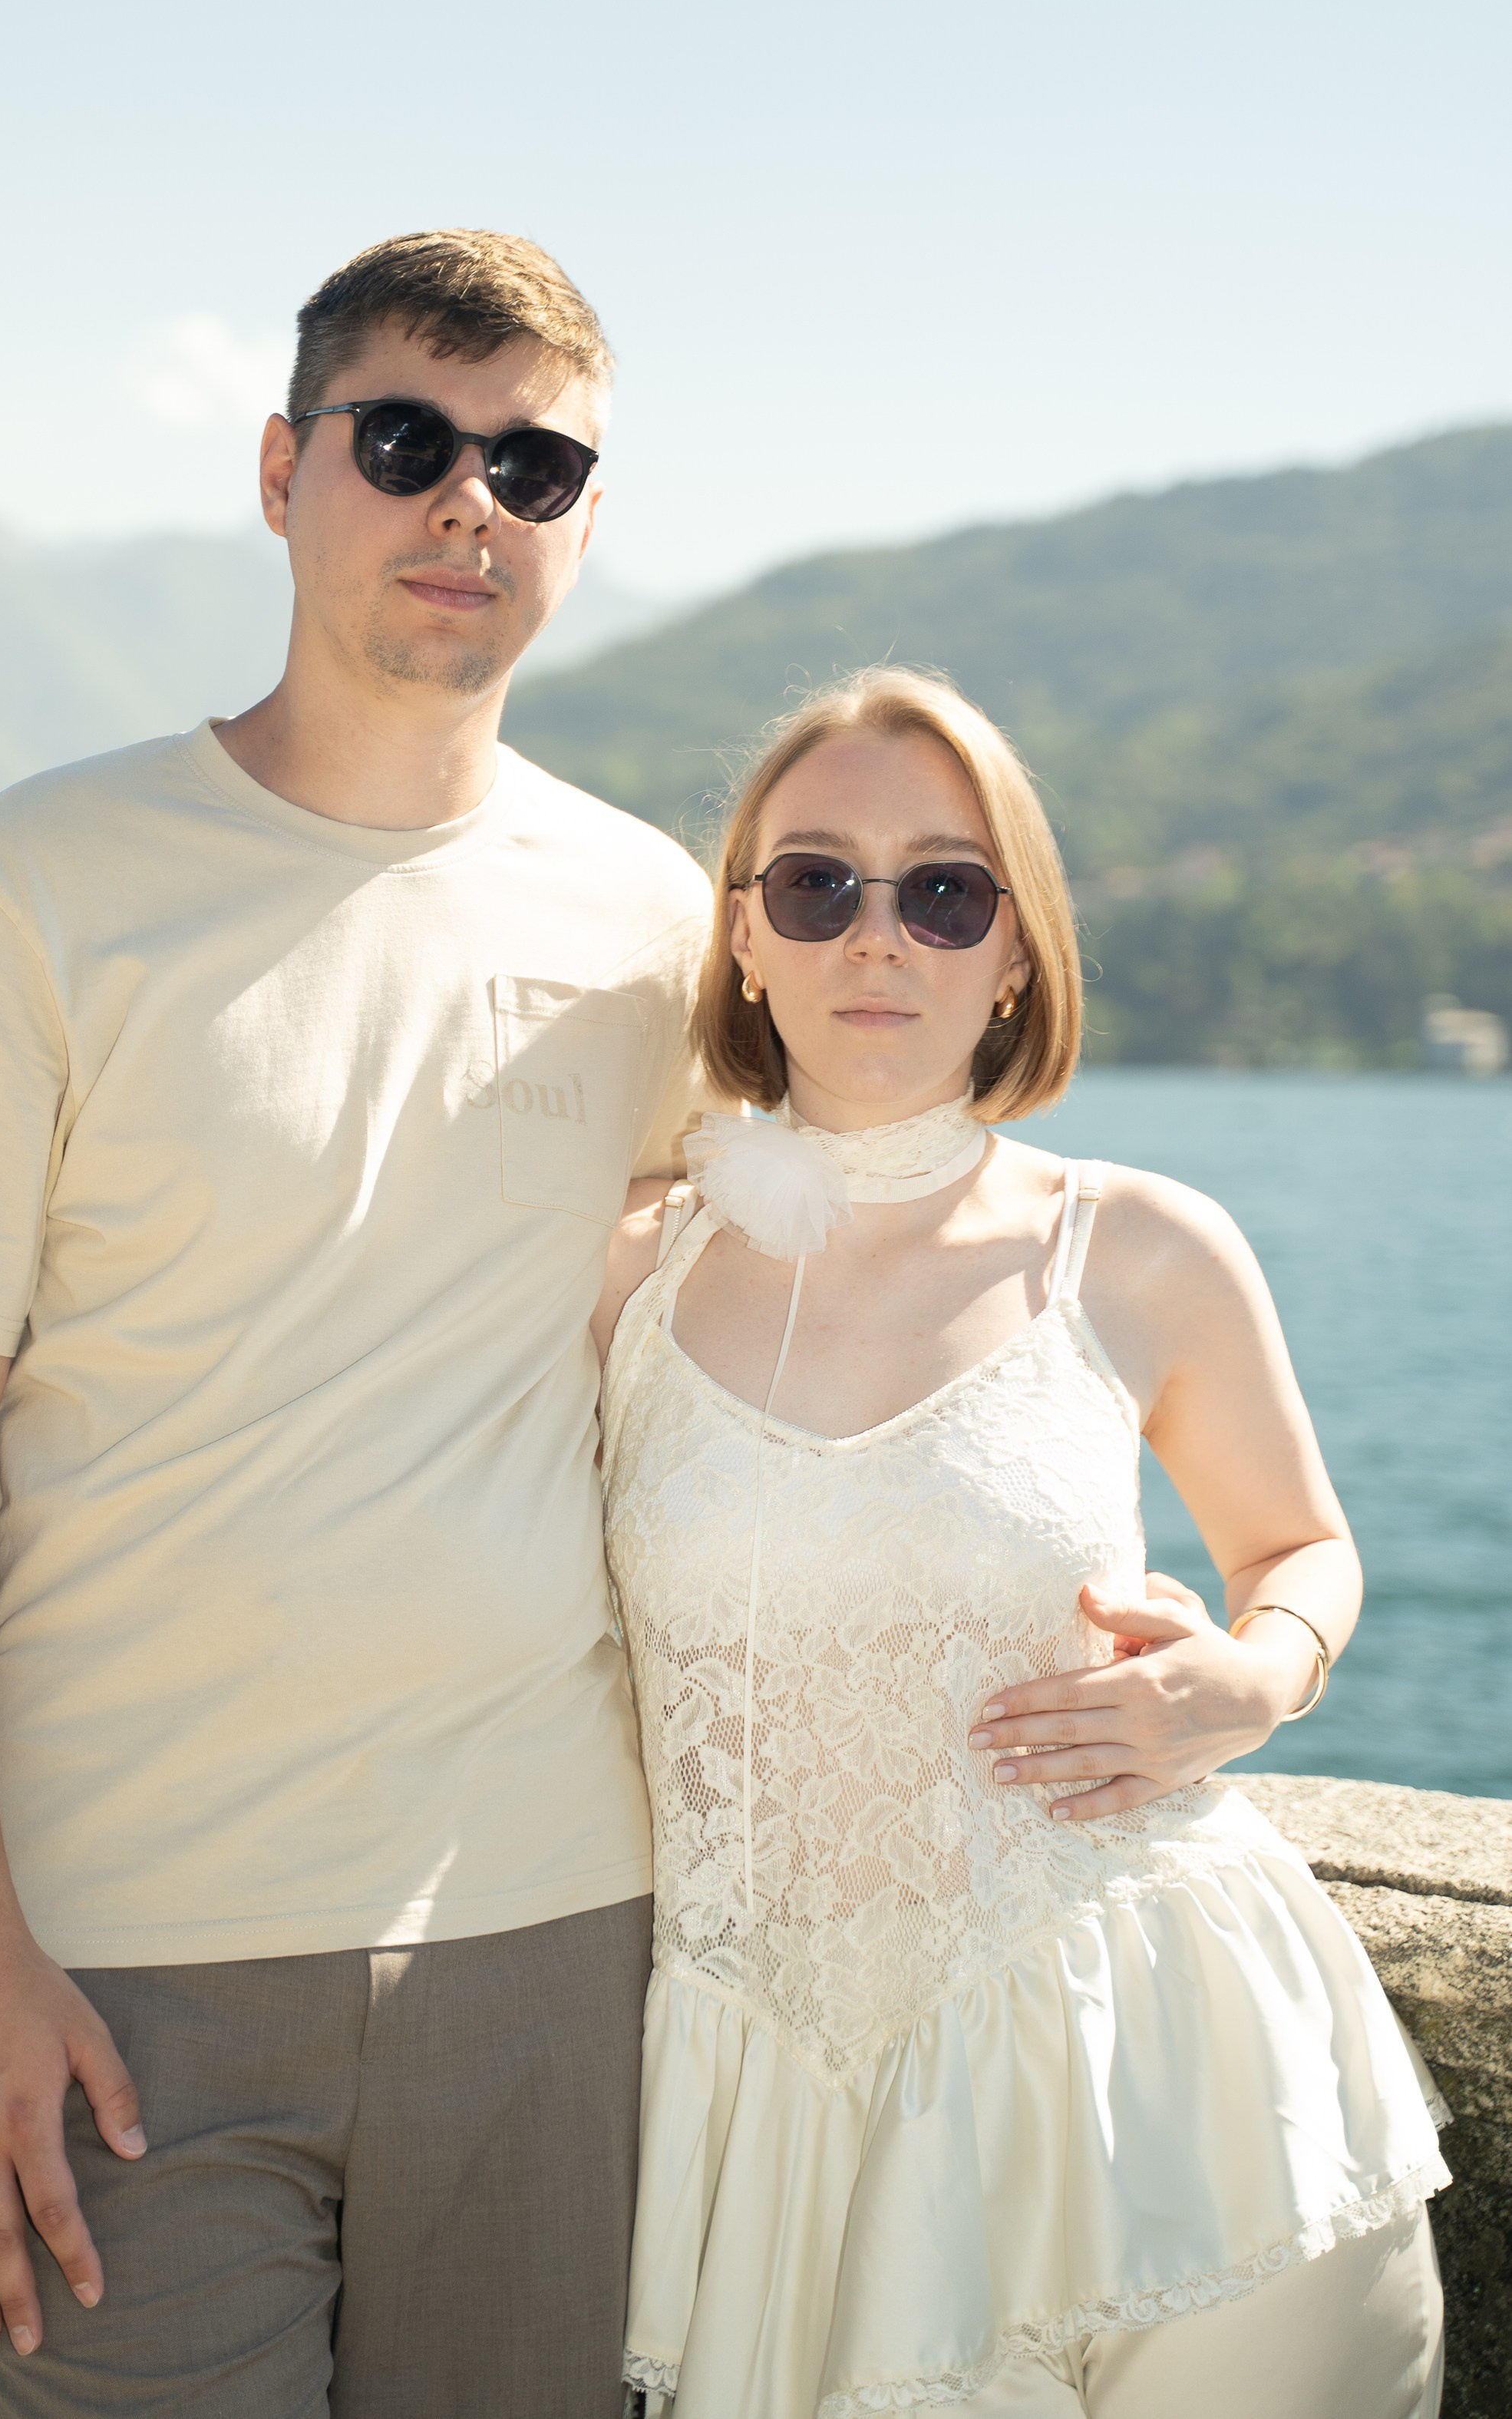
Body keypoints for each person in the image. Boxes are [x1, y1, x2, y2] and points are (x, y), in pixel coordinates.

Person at [0, 230, 717, 2417]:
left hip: (559, 1933)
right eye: (406, 440)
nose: (471, 499)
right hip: (122, 1961)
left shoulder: (658, 917)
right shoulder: (47, 874)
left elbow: (771, 1332)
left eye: (535, 465)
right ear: (283, 471)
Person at [586, 665, 1448, 2417]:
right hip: (782, 2116)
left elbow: (1299, 1550)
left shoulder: (1133, 1248)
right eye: (816, 883)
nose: (876, 937)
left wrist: (1251, 1679)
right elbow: (340, 1514)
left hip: (1165, 2081)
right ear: (741, 939)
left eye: (944, 890)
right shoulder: (619, 1272)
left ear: (1014, 953)